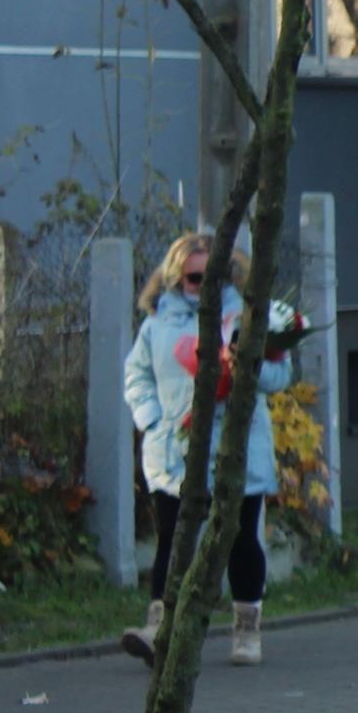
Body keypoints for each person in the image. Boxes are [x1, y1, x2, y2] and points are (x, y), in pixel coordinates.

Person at [121, 232, 297, 669]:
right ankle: (158, 627)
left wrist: (247, 366)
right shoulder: (157, 324)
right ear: (176, 277)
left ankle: (246, 628)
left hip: (238, 448)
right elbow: (137, 376)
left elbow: (281, 376)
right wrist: (152, 420)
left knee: (240, 539)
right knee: (173, 540)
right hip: (175, 452)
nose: (204, 284)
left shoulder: (249, 315)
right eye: (195, 276)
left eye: (213, 275)